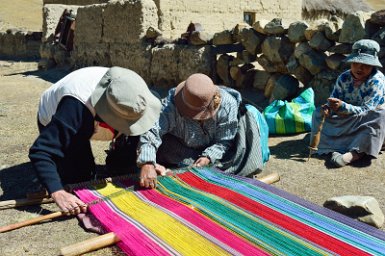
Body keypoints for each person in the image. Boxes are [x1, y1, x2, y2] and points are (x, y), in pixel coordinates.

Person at [29, 66, 162, 215]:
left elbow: (149, 125)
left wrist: (148, 161)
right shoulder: (75, 109)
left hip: (94, 116)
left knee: (126, 168)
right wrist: (57, 191)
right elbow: (41, 151)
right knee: (81, 181)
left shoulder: (135, 94)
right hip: (59, 117)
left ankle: (118, 160)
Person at [136, 73, 269, 188]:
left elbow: (224, 141)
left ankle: (209, 167)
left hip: (216, 149)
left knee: (242, 151)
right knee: (158, 148)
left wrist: (208, 157)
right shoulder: (170, 107)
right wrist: (147, 163)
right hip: (184, 146)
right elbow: (152, 131)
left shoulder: (227, 104)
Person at [311, 39, 385, 167]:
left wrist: (343, 106)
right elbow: (334, 98)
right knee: (318, 113)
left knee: (380, 114)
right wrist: (328, 108)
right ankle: (336, 149)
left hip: (366, 121)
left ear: (373, 65)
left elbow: (367, 111)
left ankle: (355, 153)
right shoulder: (344, 77)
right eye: (356, 63)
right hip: (348, 119)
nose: (360, 68)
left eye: (366, 65)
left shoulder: (377, 81)